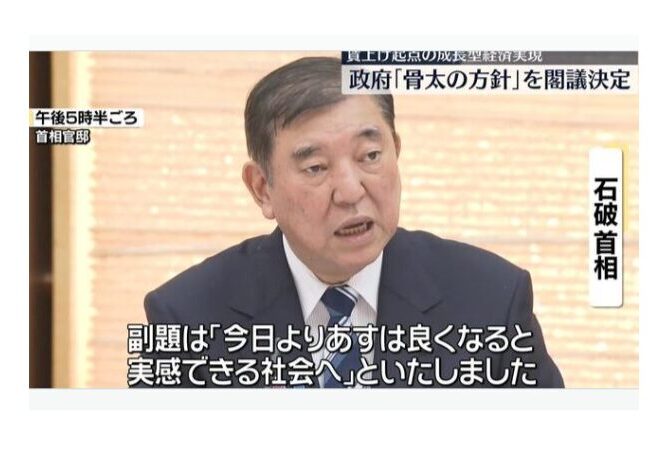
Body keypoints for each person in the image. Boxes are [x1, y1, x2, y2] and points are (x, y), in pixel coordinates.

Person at [142, 56, 564, 388]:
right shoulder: (186, 318)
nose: (350, 190)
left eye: (370, 156)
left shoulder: (491, 299)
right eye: (316, 167)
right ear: (262, 188)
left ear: (396, 152)